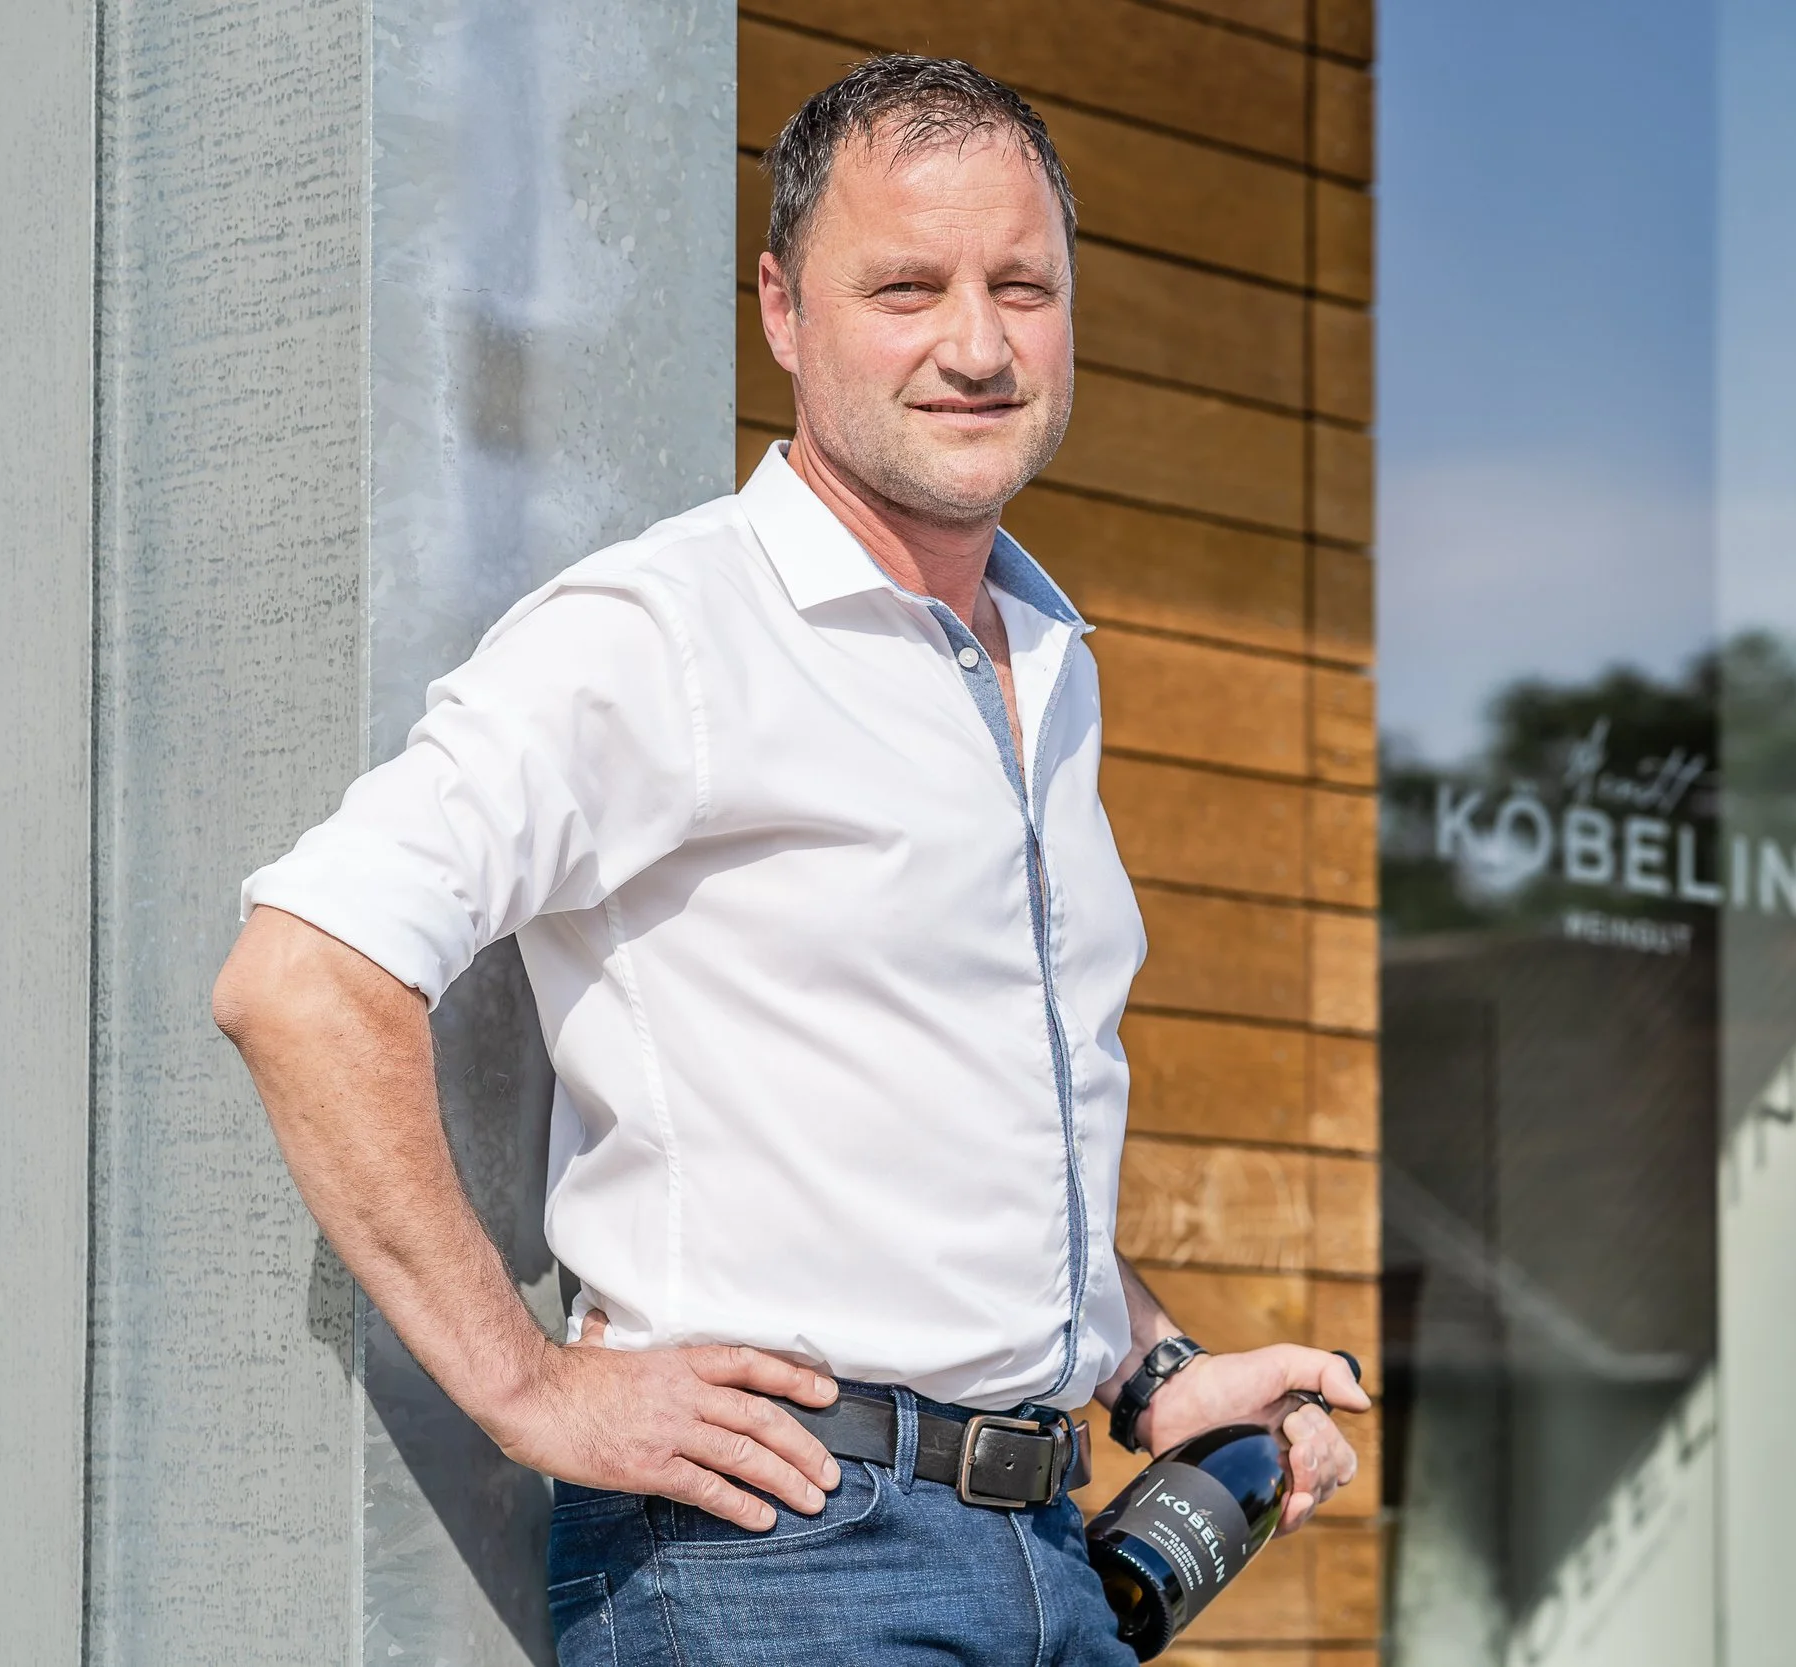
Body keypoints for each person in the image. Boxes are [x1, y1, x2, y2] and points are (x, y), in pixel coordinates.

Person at [212, 53, 1366, 1666]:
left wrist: (1154, 1370)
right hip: (778, 1558)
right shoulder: (669, 630)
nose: (978, 344)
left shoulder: (1045, 657)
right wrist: (526, 1384)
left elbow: (950, 1129)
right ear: (781, 310)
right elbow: (302, 973)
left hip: (1044, 1552)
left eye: (1022, 287)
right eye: (906, 288)